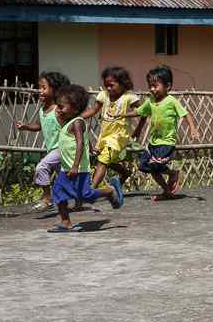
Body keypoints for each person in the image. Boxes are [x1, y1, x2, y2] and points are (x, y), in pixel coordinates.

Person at [47, 84, 123, 232]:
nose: (58, 109)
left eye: (62, 107)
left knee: (86, 195)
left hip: (79, 169)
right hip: (66, 169)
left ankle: (109, 191)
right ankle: (65, 222)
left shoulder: (77, 122)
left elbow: (80, 142)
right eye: (58, 106)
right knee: (58, 192)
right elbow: (83, 139)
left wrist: (75, 166)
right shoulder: (67, 122)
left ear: (74, 109)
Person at [128, 66, 200, 201]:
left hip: (167, 142)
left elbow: (185, 114)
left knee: (155, 164)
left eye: (155, 86)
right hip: (153, 142)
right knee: (145, 165)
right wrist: (122, 114)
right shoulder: (150, 101)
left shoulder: (171, 101)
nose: (152, 89)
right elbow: (139, 112)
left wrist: (193, 129)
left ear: (168, 86)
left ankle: (172, 176)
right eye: (150, 86)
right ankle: (168, 189)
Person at [15, 71, 70, 212]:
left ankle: (47, 198)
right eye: (39, 87)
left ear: (55, 90)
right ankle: (76, 201)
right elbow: (38, 126)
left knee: (41, 167)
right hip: (52, 149)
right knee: (64, 180)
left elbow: (72, 126)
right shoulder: (42, 110)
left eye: (43, 87)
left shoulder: (59, 110)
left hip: (62, 148)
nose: (40, 91)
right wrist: (26, 126)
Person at [81, 67, 141, 189]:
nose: (108, 88)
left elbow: (143, 111)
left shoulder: (129, 97)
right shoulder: (103, 95)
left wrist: (138, 128)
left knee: (103, 160)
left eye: (111, 85)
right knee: (107, 160)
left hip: (119, 136)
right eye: (106, 85)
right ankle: (125, 172)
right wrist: (77, 117)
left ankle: (92, 189)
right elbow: (93, 110)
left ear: (123, 84)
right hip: (105, 135)